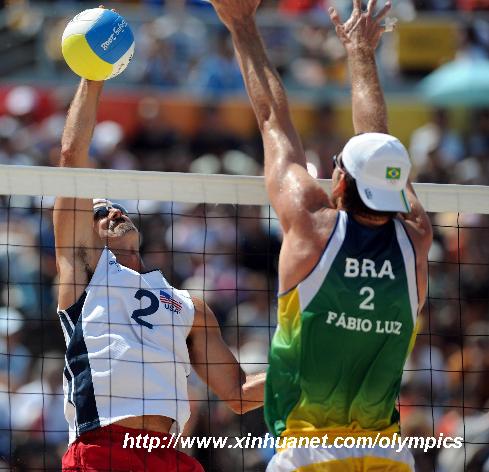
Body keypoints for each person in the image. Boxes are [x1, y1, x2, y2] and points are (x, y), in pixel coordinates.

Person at [210, 0, 432, 470]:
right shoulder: (417, 236)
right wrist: (361, 54)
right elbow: (381, 142)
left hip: (310, 453)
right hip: (389, 455)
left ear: (339, 182)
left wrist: (242, 23)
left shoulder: (311, 226)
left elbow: (273, 121)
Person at [54, 78, 265, 471]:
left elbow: (238, 394)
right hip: (103, 450)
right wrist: (93, 79)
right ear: (86, 234)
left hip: (168, 455)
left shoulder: (190, 306)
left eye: (118, 208)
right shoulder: (86, 275)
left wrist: (311, 370)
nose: (113, 212)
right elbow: (71, 156)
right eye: (99, 213)